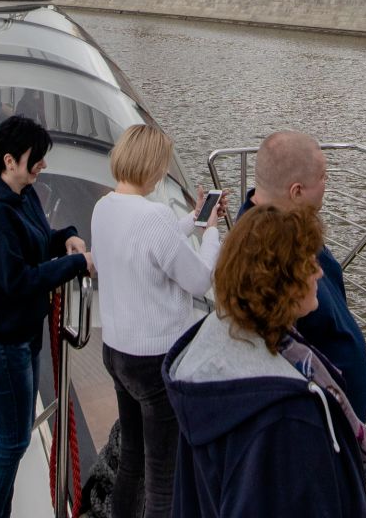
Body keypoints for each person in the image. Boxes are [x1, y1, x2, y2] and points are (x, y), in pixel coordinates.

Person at [163, 205, 366, 518]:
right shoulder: (289, 416)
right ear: (281, 281)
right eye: (309, 263)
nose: (320, 272)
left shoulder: (208, 347)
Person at [92, 125, 223, 518]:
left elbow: (145, 245)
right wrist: (212, 231)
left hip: (116, 352)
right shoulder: (155, 216)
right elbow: (200, 279)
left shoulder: (105, 206)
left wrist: (194, 222)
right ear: (153, 166)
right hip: (155, 361)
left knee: (132, 458)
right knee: (163, 473)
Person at [0, 116, 92, 518]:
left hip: (19, 336)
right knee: (11, 443)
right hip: (3, 344)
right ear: (10, 160)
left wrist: (67, 235)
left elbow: (38, 242)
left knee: (14, 441)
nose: (42, 165)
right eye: (35, 158)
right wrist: (76, 265)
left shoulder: (21, 195)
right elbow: (17, 282)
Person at [240, 131, 366, 421]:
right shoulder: (265, 258)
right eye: (323, 177)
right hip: (320, 423)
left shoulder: (287, 231)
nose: (327, 184)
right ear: (296, 191)